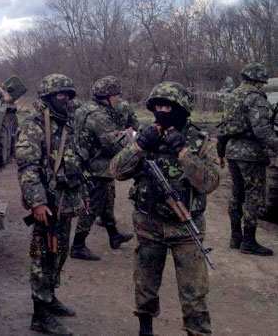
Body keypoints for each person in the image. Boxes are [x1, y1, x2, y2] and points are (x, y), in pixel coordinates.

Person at [111, 81, 219, 336]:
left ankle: (197, 331)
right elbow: (116, 170)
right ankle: (145, 328)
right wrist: (139, 146)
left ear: (181, 109)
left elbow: (210, 182)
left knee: (194, 292)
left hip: (186, 228)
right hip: (149, 224)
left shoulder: (199, 141)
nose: (162, 111)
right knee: (145, 284)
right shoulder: (146, 135)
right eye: (157, 106)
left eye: (168, 107)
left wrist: (183, 152)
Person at [16, 74, 89, 336]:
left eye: (68, 95)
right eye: (60, 95)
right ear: (47, 98)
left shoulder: (66, 122)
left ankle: (50, 297)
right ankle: (40, 313)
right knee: (43, 257)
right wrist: (37, 202)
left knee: (59, 253)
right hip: (47, 204)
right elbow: (28, 167)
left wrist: (82, 193)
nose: (66, 99)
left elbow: (76, 160)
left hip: (65, 202)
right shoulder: (34, 125)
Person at [70, 76, 135, 261]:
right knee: (93, 205)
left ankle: (114, 236)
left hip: (90, 163)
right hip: (95, 167)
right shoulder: (99, 116)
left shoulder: (86, 108)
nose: (118, 99)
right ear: (107, 96)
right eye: (116, 96)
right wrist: (129, 136)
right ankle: (78, 245)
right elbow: (113, 145)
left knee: (107, 201)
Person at [217, 62, 278, 256]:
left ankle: (236, 237)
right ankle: (249, 241)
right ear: (258, 79)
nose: (263, 85)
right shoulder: (255, 97)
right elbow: (262, 130)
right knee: (253, 195)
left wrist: (221, 150)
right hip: (250, 154)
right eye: (262, 82)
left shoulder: (233, 95)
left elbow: (224, 125)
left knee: (237, 194)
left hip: (232, 150)